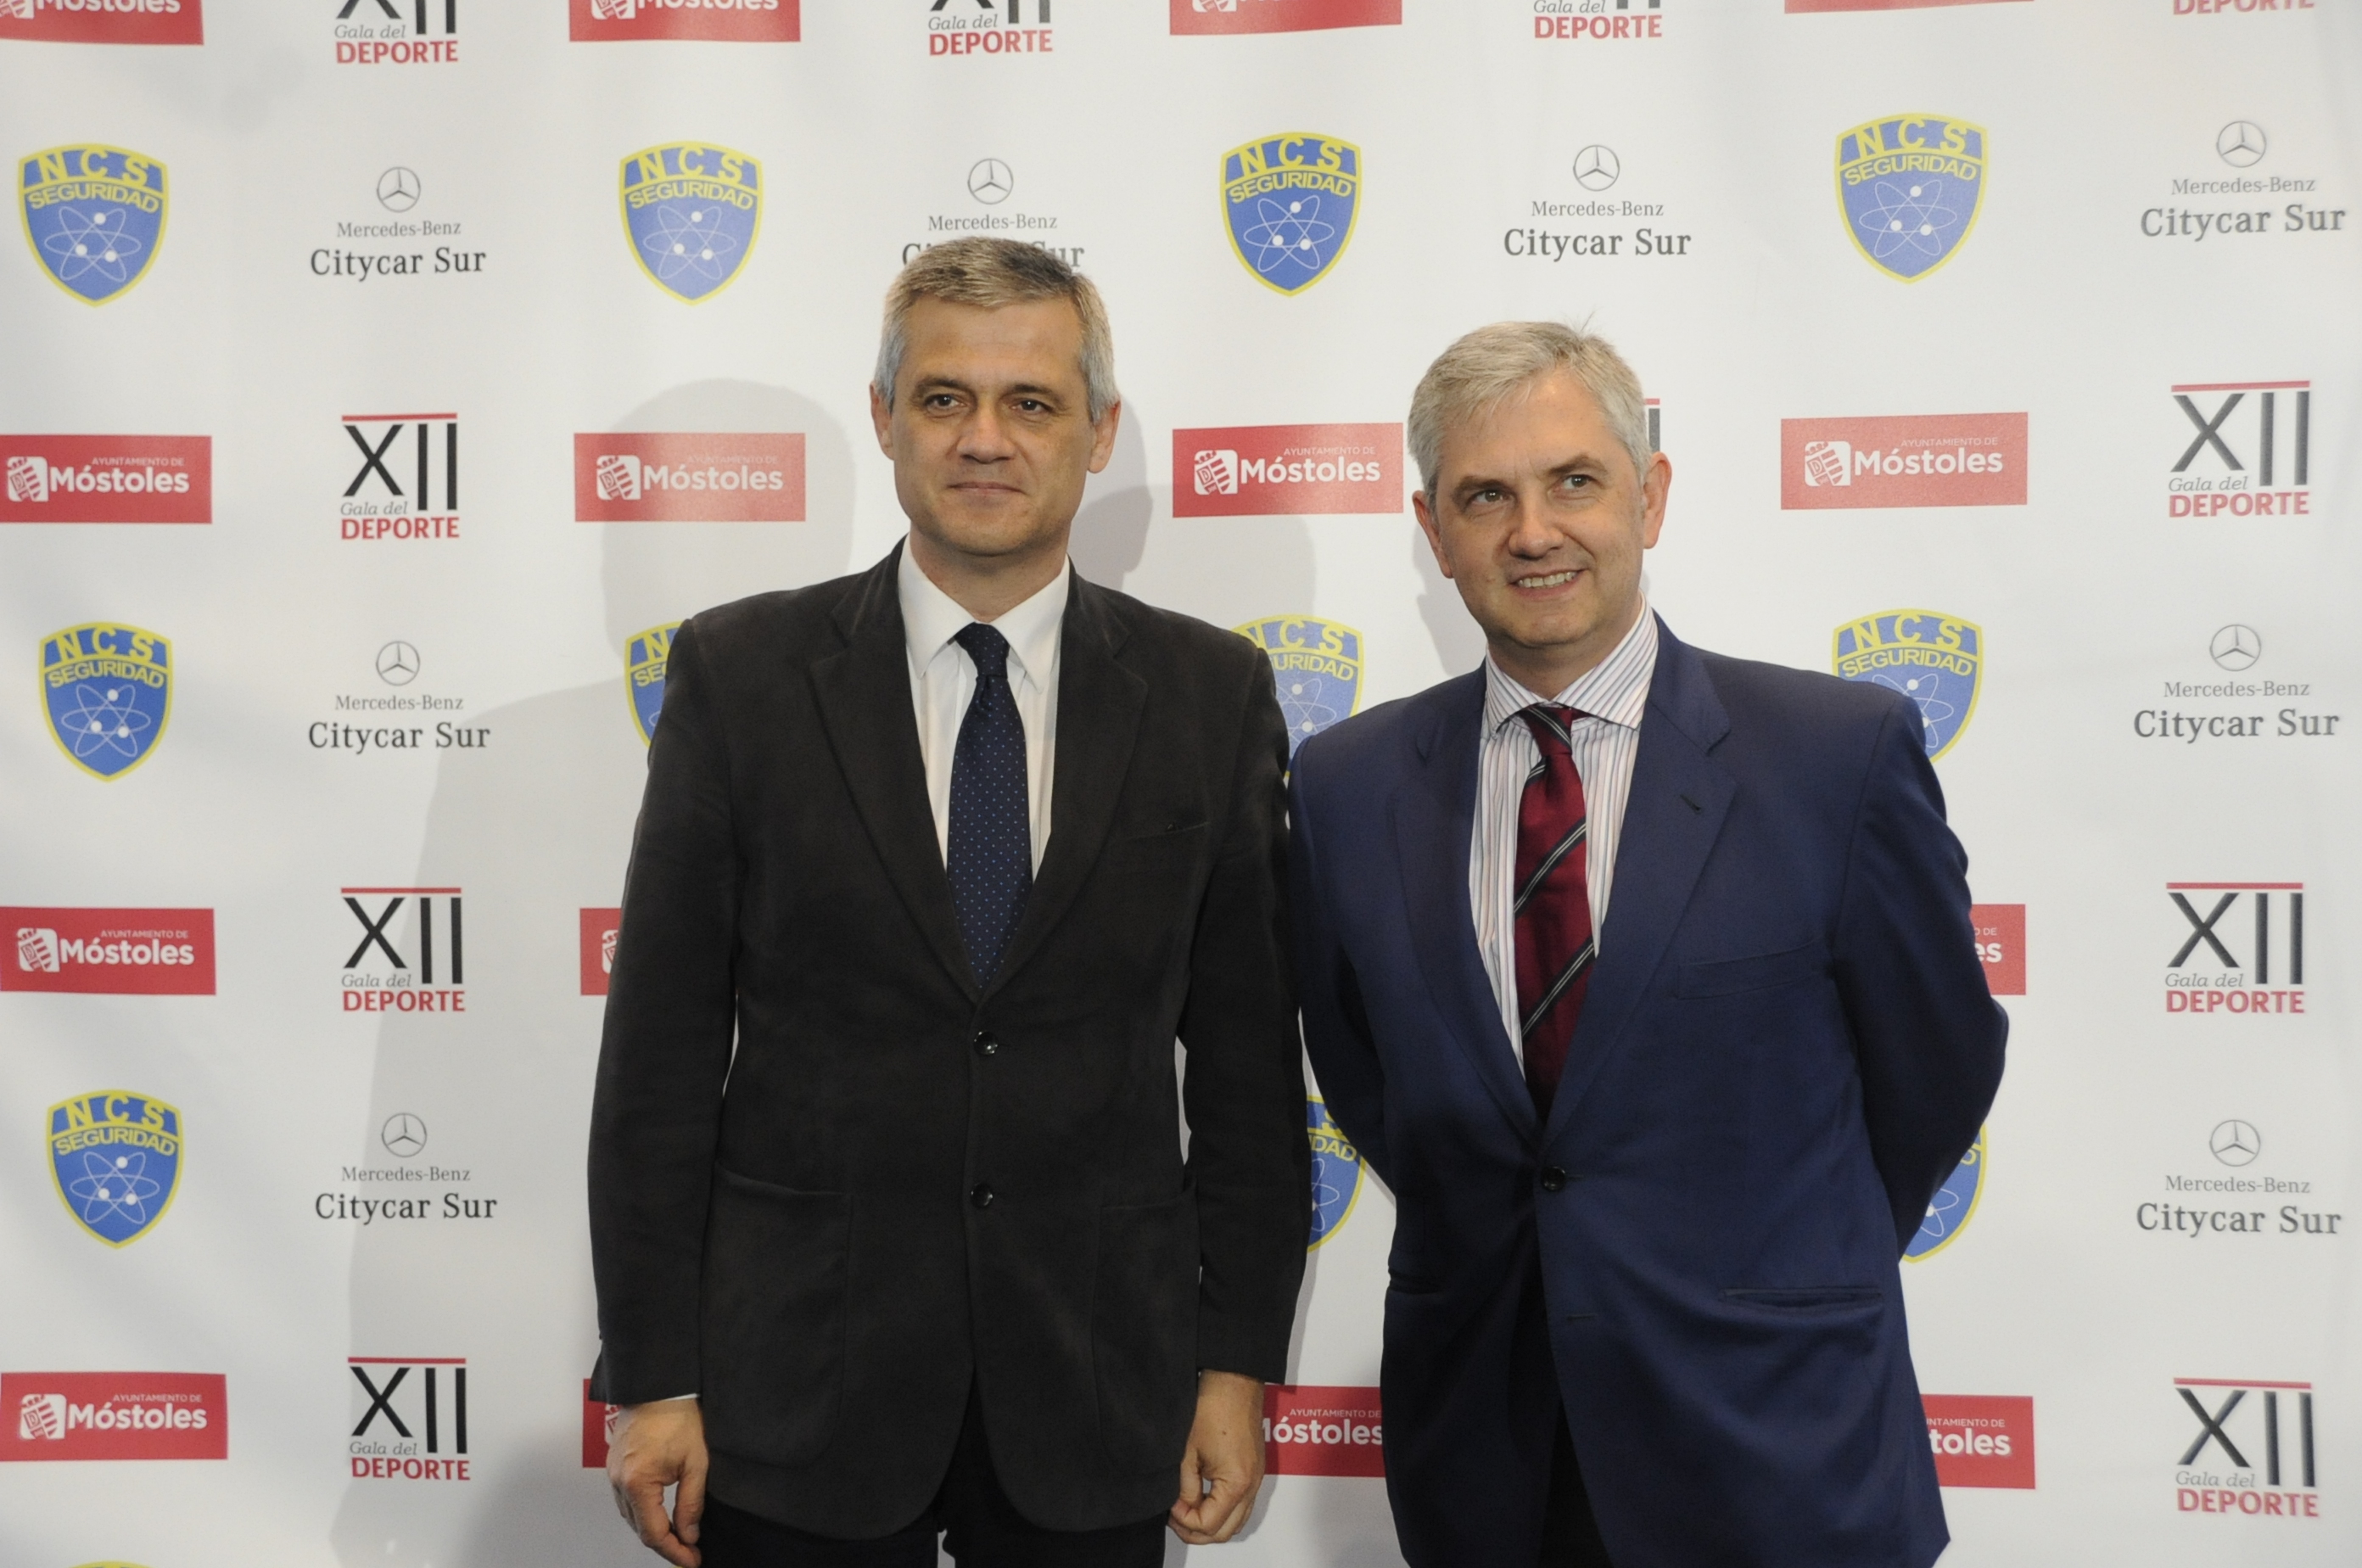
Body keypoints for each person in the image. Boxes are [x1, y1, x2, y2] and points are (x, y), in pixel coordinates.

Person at [589, 238, 1307, 1568]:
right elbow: (659, 1064)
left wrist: (1234, 1364)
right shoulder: (741, 678)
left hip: (1097, 1384)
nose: (985, 438)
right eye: (943, 398)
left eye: (1031, 402)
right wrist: (655, 1375)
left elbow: (1250, 1080)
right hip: (795, 1386)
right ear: (884, 418)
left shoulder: (1211, 696)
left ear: (1098, 432)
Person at [1288, 322, 2007, 1567]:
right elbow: (1373, 1079)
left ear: (1651, 495)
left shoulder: (1836, 757)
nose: (1534, 531)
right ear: (1434, 530)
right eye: (1485, 496)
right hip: (1491, 1458)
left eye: (1574, 480)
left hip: (1777, 1446)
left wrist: (1773, 1263)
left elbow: (1934, 1069)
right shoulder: (1347, 785)